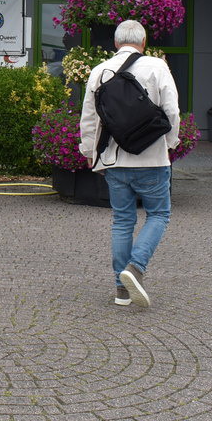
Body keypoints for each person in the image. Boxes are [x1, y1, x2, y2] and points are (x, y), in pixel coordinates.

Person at [78, 19, 180, 308]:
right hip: (152, 159)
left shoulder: (99, 71)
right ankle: (135, 268)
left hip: (115, 158)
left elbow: (89, 118)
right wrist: (170, 143)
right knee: (158, 214)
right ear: (143, 42)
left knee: (122, 220)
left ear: (115, 43)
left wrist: (89, 151)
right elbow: (172, 110)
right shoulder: (157, 67)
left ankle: (121, 290)